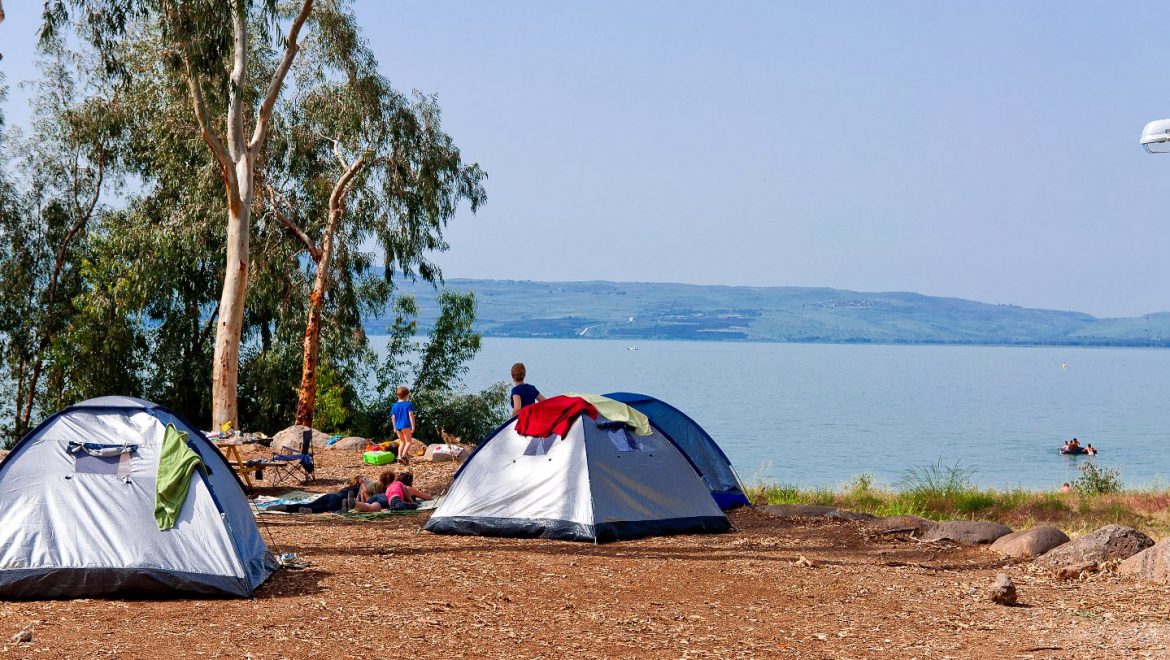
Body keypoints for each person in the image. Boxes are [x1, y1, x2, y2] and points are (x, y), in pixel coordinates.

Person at [268, 476, 369, 513]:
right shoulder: (358, 488)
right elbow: (364, 491)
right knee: (324, 508)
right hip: (338, 500)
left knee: (310, 504)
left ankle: (286, 507)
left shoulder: (347, 488)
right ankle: (311, 511)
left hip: (330, 495)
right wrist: (363, 483)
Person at [390, 386, 417, 465]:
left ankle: (399, 457)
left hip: (398, 427)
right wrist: (413, 426)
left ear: (398, 396)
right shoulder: (408, 404)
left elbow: (393, 417)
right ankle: (404, 456)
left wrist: (394, 427)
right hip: (406, 425)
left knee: (402, 442)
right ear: (406, 395)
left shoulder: (395, 406)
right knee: (408, 442)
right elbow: (410, 415)